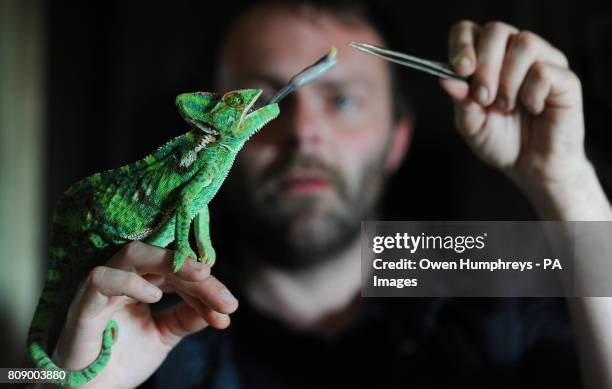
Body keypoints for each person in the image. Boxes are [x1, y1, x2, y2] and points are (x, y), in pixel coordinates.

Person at [41, 1, 612, 388]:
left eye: (342, 102)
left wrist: (567, 185)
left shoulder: (463, 270)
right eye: (268, 99)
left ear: (398, 139)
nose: (303, 130)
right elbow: (29, 374)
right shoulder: (148, 302)